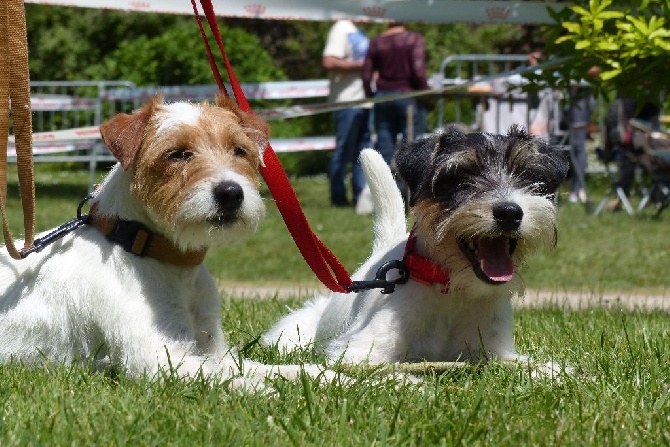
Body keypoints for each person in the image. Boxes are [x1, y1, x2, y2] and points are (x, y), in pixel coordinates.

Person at [362, 22, 429, 165]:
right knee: (410, 150)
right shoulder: (413, 38)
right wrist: (425, 94)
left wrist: (370, 94)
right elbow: (418, 71)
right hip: (406, 96)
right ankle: (406, 186)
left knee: (384, 149)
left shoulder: (376, 42)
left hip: (382, 98)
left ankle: (383, 184)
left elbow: (366, 74)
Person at [322, 19, 371, 207]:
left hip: (365, 101)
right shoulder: (341, 28)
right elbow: (329, 60)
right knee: (343, 151)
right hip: (347, 101)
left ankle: (361, 196)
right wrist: (363, 65)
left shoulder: (359, 31)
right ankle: (338, 197)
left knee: (363, 152)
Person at [604, 97, 661, 208]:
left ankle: (656, 196)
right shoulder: (629, 98)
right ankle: (623, 197)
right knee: (628, 156)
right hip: (633, 147)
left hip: (648, 147)